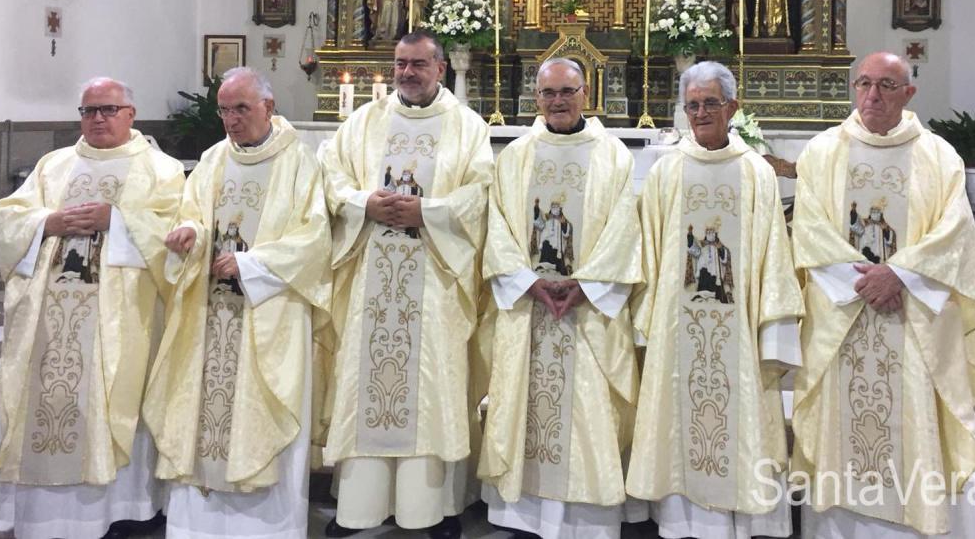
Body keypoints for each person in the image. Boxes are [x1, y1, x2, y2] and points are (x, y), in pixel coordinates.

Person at [791, 52, 975, 538]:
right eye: (863, 83)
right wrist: (865, 284)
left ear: (909, 93)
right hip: (845, 316)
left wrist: (899, 277)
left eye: (885, 85)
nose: (872, 96)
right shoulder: (822, 152)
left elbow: (955, 234)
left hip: (913, 319)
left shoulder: (939, 157)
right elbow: (809, 229)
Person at [0, 78, 184, 539]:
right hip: (47, 325)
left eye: (109, 109)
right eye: (89, 110)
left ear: (131, 114)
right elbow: (9, 217)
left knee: (113, 400)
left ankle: (120, 508)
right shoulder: (53, 165)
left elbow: (175, 230)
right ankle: (42, 518)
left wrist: (119, 220)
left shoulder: (161, 168)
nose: (97, 119)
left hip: (121, 320)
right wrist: (47, 221)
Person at [142, 67, 332, 539]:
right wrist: (191, 234)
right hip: (210, 312)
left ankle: (267, 528)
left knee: (262, 409)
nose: (230, 119)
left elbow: (315, 238)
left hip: (270, 313)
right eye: (225, 109)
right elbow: (193, 214)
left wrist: (248, 265)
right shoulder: (212, 159)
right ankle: (197, 527)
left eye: (241, 108)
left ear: (268, 107)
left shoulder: (300, 162)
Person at [322, 30, 493, 539]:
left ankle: (432, 507)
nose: (407, 73)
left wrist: (429, 210)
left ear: (440, 68)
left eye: (418, 64)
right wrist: (362, 205)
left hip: (435, 280)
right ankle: (360, 506)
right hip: (370, 272)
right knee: (365, 382)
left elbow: (482, 191)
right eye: (400, 63)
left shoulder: (466, 127)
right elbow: (330, 177)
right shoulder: (363, 122)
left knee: (432, 386)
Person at [627, 61, 803, 539]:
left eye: (711, 103)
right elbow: (649, 253)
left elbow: (773, 255)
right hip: (676, 326)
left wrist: (773, 330)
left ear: (733, 106)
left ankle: (743, 522)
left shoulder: (755, 174)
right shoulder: (666, 173)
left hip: (739, 330)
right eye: (693, 105)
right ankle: (684, 524)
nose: (701, 113)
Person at [479, 58, 643, 539]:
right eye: (548, 93)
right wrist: (527, 281)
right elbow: (499, 227)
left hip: (586, 310)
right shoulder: (515, 157)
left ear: (585, 93)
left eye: (567, 91)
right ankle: (522, 514)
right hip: (529, 305)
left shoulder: (613, 156)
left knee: (588, 409)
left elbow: (624, 230)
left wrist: (585, 285)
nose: (558, 101)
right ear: (536, 99)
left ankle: (586, 520)